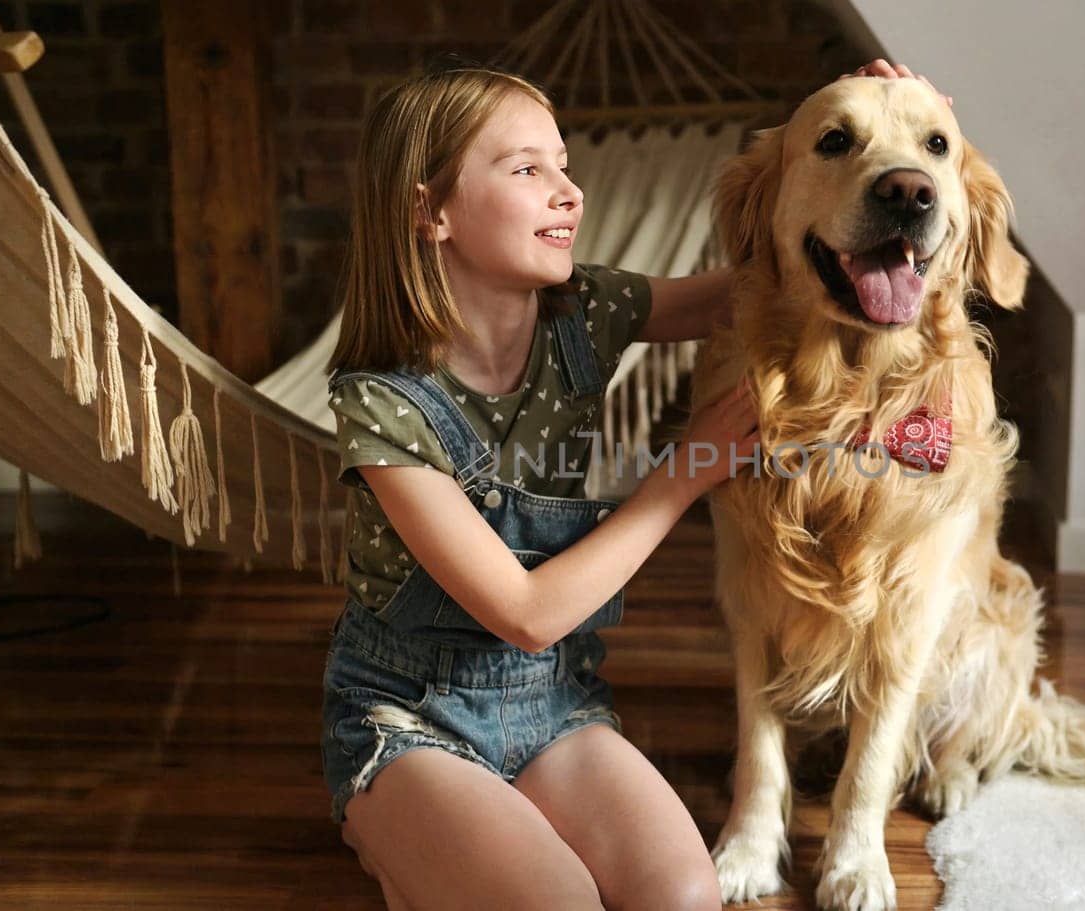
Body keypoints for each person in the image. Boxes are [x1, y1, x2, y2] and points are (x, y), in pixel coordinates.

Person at [319, 57, 943, 910]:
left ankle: (458, 847)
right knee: (560, 902)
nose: (567, 190)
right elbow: (527, 615)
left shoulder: (586, 310)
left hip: (554, 708)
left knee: (685, 896)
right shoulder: (384, 409)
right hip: (411, 719)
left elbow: (780, 270)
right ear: (431, 212)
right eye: (527, 169)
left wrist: (895, 161)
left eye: (565, 165)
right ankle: (392, 831)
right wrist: (687, 470)